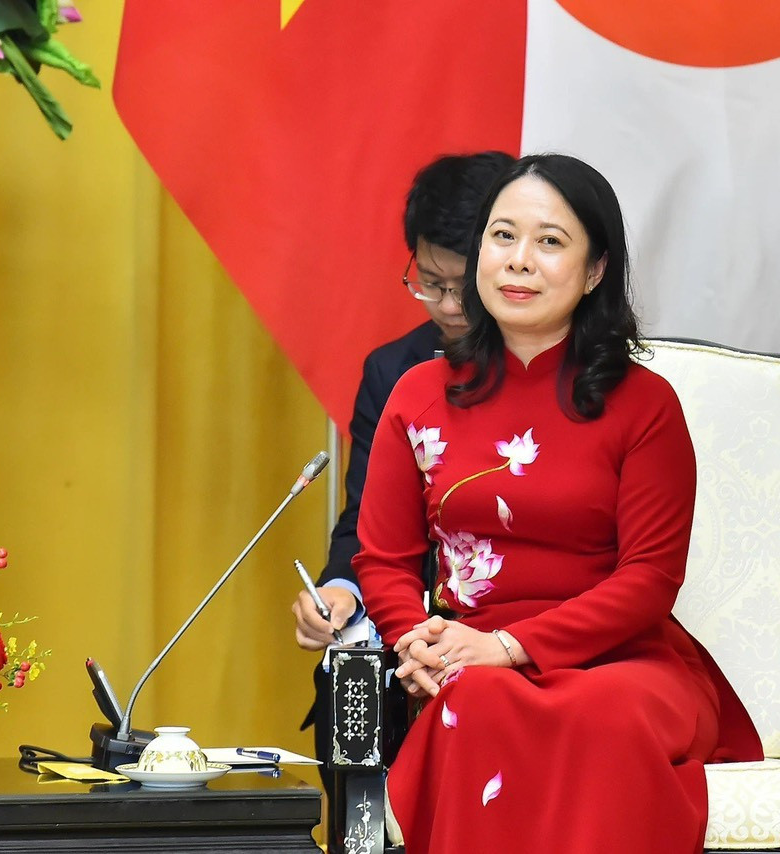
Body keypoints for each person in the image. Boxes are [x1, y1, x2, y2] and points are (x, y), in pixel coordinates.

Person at [353, 154, 763, 852]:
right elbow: (384, 558)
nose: (518, 262)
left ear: (595, 270)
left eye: (549, 242)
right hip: (474, 664)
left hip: (622, 661)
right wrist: (416, 642)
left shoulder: (644, 406)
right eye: (503, 236)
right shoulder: (417, 394)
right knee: (477, 704)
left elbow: (649, 582)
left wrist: (507, 647)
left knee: (605, 714)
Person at [292, 152, 514, 781]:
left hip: (529, 622)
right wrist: (340, 590)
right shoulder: (394, 371)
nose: (445, 306)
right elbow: (364, 520)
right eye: (429, 283)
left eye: (462, 287)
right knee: (350, 684)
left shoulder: (570, 371)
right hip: (417, 618)